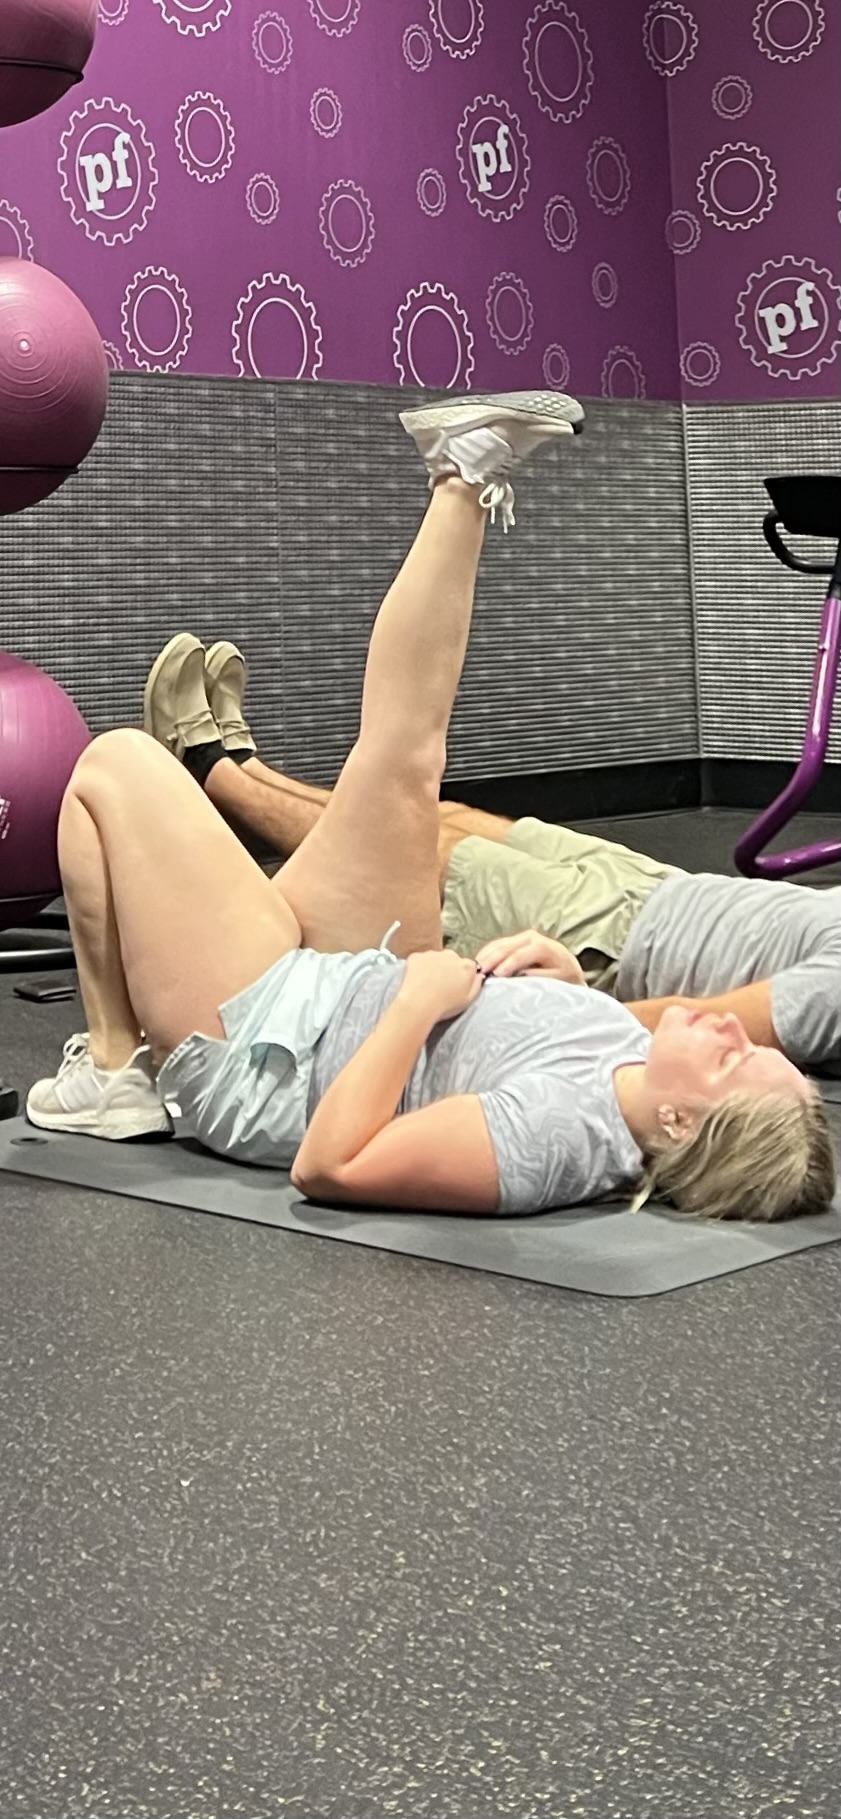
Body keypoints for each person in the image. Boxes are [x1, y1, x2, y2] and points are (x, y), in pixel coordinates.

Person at [27, 391, 836, 1226]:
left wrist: (417, 1001)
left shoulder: (557, 1136)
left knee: (115, 765)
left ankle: (114, 1069)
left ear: (677, 1124)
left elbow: (331, 1163)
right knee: (406, 757)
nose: (733, 1033)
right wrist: (566, 983)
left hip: (266, 1054)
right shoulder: (639, 1067)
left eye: (733, 1061)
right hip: (351, 980)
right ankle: (466, 473)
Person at [142, 652, 841, 1080]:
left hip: (615, 942)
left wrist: (560, 1014)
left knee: (413, 846)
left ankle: (211, 774)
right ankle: (250, 770)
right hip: (662, 889)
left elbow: (703, 1021)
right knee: (444, 818)